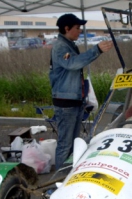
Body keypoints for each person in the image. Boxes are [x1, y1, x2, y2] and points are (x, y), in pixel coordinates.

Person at [49, 13, 113, 170]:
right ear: (66, 28)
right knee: (65, 144)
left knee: (73, 143)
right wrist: (96, 50)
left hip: (74, 100)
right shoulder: (61, 47)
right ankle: (59, 179)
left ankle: (69, 173)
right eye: (77, 28)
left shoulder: (70, 45)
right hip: (66, 103)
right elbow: (72, 64)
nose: (80, 31)